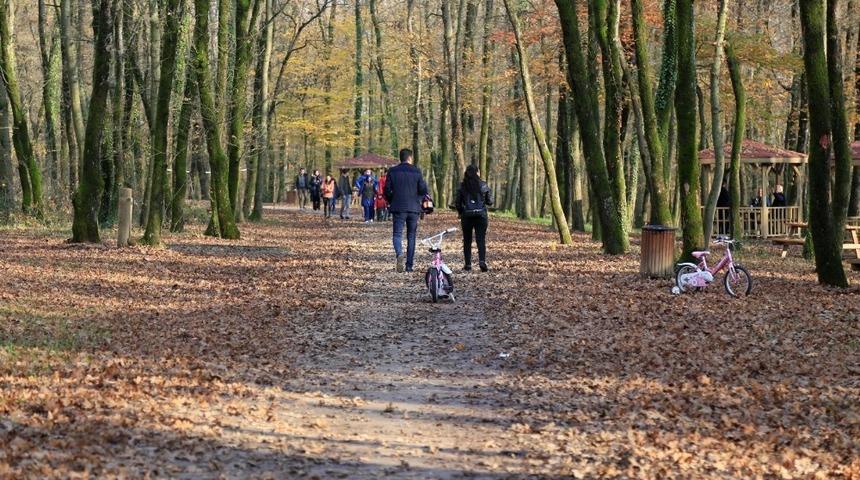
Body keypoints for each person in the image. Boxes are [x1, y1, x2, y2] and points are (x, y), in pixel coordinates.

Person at [384, 149, 428, 273]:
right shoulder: (417, 171)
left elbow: (386, 190)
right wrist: (419, 199)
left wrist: (392, 200)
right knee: (411, 236)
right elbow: (423, 189)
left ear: (401, 158)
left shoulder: (392, 171)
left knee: (397, 234)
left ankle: (399, 253)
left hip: (398, 206)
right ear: (410, 158)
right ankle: (409, 266)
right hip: (414, 208)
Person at [455, 165, 494, 272]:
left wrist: (461, 212)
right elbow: (490, 201)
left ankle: (468, 264)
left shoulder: (462, 186)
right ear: (477, 173)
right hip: (481, 216)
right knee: (480, 239)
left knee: (467, 240)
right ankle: (482, 261)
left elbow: (458, 203)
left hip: (467, 216)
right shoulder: (483, 185)